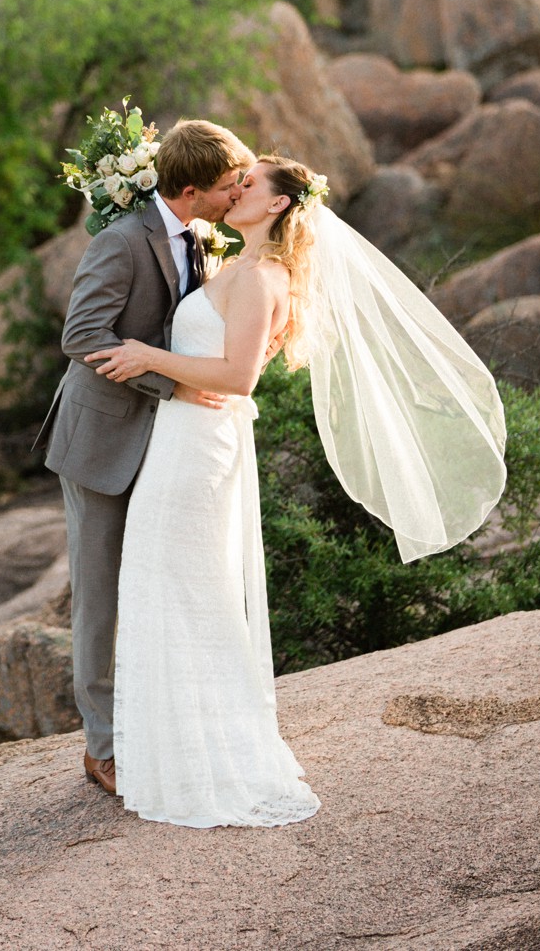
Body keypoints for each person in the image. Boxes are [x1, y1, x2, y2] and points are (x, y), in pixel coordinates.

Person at [84, 153, 510, 826]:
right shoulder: (236, 266)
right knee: (170, 584)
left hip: (200, 443)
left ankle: (212, 757)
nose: (235, 192)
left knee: (191, 589)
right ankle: (176, 749)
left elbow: (239, 376)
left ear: (279, 204)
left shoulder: (261, 278)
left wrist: (147, 357)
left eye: (248, 185)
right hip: (183, 437)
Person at [32, 117, 252, 798]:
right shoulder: (122, 242)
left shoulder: (205, 236)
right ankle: (103, 747)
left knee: (160, 585)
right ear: (191, 189)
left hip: (168, 442)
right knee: (100, 597)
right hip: (102, 441)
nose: (239, 193)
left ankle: (162, 724)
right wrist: (173, 380)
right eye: (229, 186)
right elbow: (82, 335)